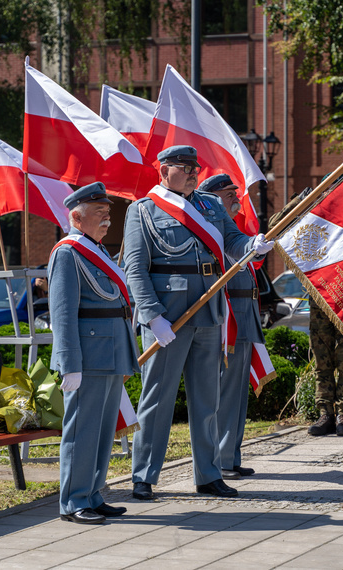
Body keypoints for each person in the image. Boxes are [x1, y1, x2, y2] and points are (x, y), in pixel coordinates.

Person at [123, 145, 273, 500]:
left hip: (209, 311)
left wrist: (253, 244)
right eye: (184, 166)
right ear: (164, 171)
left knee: (207, 398)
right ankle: (143, 475)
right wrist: (152, 315)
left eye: (195, 167)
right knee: (157, 398)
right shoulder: (142, 212)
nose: (193, 172)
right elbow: (135, 269)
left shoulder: (209, 205)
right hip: (169, 315)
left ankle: (207, 474)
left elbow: (233, 242)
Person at [48, 182, 138, 524]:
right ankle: (73, 501)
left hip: (111, 352)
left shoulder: (96, 250)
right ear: (76, 216)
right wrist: (69, 363)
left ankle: (93, 493)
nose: (106, 221)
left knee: (102, 431)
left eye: (108, 214)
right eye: (99, 214)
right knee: (82, 430)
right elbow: (63, 313)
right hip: (87, 355)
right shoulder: (68, 252)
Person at [267, 183, 343, 437]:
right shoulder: (312, 212)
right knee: (322, 358)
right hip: (320, 295)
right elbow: (275, 225)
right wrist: (302, 199)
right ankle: (325, 413)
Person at [199, 173, 262, 480]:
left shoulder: (235, 232)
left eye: (233, 192)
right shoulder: (214, 235)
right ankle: (221, 458)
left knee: (237, 394)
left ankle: (231, 455)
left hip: (244, 318)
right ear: (212, 203)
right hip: (228, 322)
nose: (235, 197)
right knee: (223, 392)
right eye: (227, 194)